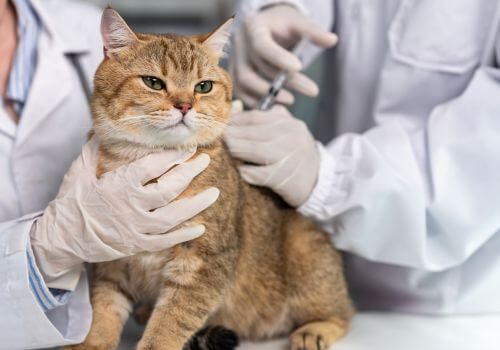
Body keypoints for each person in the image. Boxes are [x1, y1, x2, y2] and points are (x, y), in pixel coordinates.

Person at [227, 0, 500, 314]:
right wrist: (281, 7)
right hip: (324, 280)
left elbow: (477, 167)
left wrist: (332, 179)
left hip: (457, 307)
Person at [0, 0, 219, 348]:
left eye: (200, 89)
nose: (183, 103)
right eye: (154, 82)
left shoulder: (85, 25)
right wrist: (48, 247)